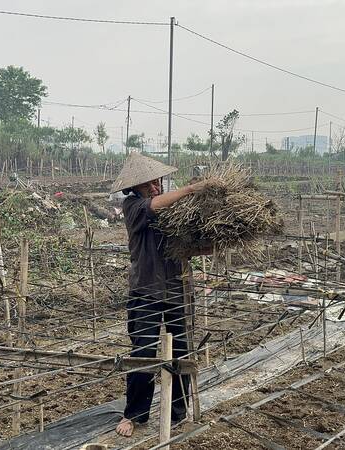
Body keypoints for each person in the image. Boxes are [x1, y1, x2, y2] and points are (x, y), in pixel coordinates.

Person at [110, 152, 208, 437]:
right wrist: (189, 189)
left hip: (178, 289)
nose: (157, 188)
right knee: (144, 353)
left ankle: (178, 412)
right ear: (137, 188)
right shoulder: (134, 207)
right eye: (150, 184)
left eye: (159, 183)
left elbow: (190, 248)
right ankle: (135, 415)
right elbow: (153, 205)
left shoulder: (174, 213)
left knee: (181, 351)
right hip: (147, 290)